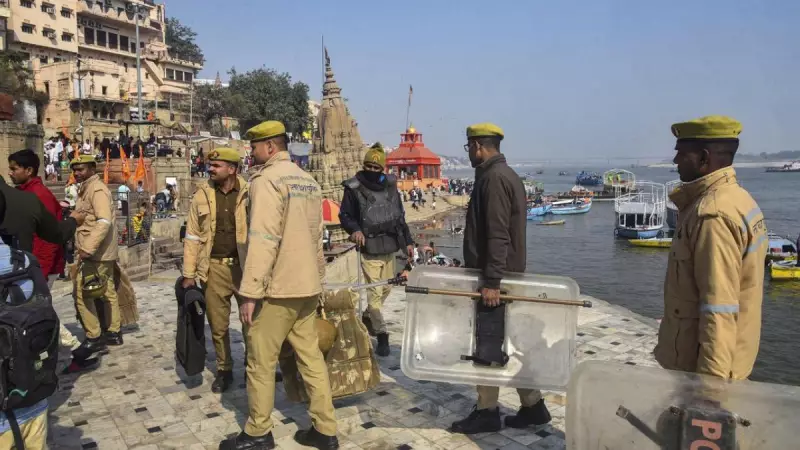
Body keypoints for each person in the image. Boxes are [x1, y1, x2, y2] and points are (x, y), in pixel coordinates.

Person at [220, 121, 337, 450]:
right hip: (306, 286)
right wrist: (319, 281)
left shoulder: (267, 181)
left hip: (277, 290)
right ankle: (326, 429)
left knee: (260, 361)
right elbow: (317, 239)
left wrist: (250, 291)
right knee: (310, 358)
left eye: (254, 146)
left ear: (270, 147)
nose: (251, 152)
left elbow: (263, 238)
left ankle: (258, 432)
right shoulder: (308, 181)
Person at [450, 123, 551, 434]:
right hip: (508, 274)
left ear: (479, 146)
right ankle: (533, 406)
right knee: (511, 339)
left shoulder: (493, 179)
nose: (467, 152)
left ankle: (487, 411)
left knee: (488, 343)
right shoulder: (505, 175)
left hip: (498, 278)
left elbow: (497, 235)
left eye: (468, 147)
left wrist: (491, 282)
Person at [654, 116, 767, 381]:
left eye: (682, 154)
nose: (675, 162)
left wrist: (710, 390)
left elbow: (720, 307)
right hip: (729, 359)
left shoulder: (712, 216)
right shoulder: (739, 199)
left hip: (701, 371)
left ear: (704, 158)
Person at [4, 150, 95, 373]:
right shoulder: (23, 194)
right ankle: (73, 349)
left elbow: (49, 241)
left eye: (15, 168)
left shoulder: (39, 195)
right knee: (39, 312)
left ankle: (73, 349)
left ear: (29, 170)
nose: (11, 172)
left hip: (39, 267)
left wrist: (39, 273)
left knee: (38, 313)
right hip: (29, 267)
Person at [182, 148, 251, 393]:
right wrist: (189, 273)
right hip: (214, 268)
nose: (210, 169)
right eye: (210, 165)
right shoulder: (202, 194)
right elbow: (192, 236)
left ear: (232, 169)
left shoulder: (249, 193)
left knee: (252, 322)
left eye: (216, 165)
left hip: (245, 269)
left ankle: (255, 366)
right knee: (218, 326)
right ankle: (225, 369)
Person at [338, 143, 414, 357]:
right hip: (369, 248)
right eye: (368, 166)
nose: (371, 170)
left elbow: (400, 216)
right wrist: (354, 230)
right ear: (364, 165)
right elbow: (345, 215)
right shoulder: (352, 188)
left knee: (387, 288)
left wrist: (408, 242)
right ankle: (382, 335)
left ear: (382, 169)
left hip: (389, 245)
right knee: (374, 293)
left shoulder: (390, 187)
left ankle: (369, 316)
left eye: (376, 167)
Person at [71, 154, 122, 351]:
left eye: (81, 169)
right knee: (107, 290)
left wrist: (87, 248)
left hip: (96, 252)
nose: (77, 173)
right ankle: (113, 332)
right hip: (100, 252)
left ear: (92, 169)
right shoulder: (87, 189)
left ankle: (94, 336)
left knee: (83, 294)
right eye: (75, 170)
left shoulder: (97, 189)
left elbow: (103, 221)